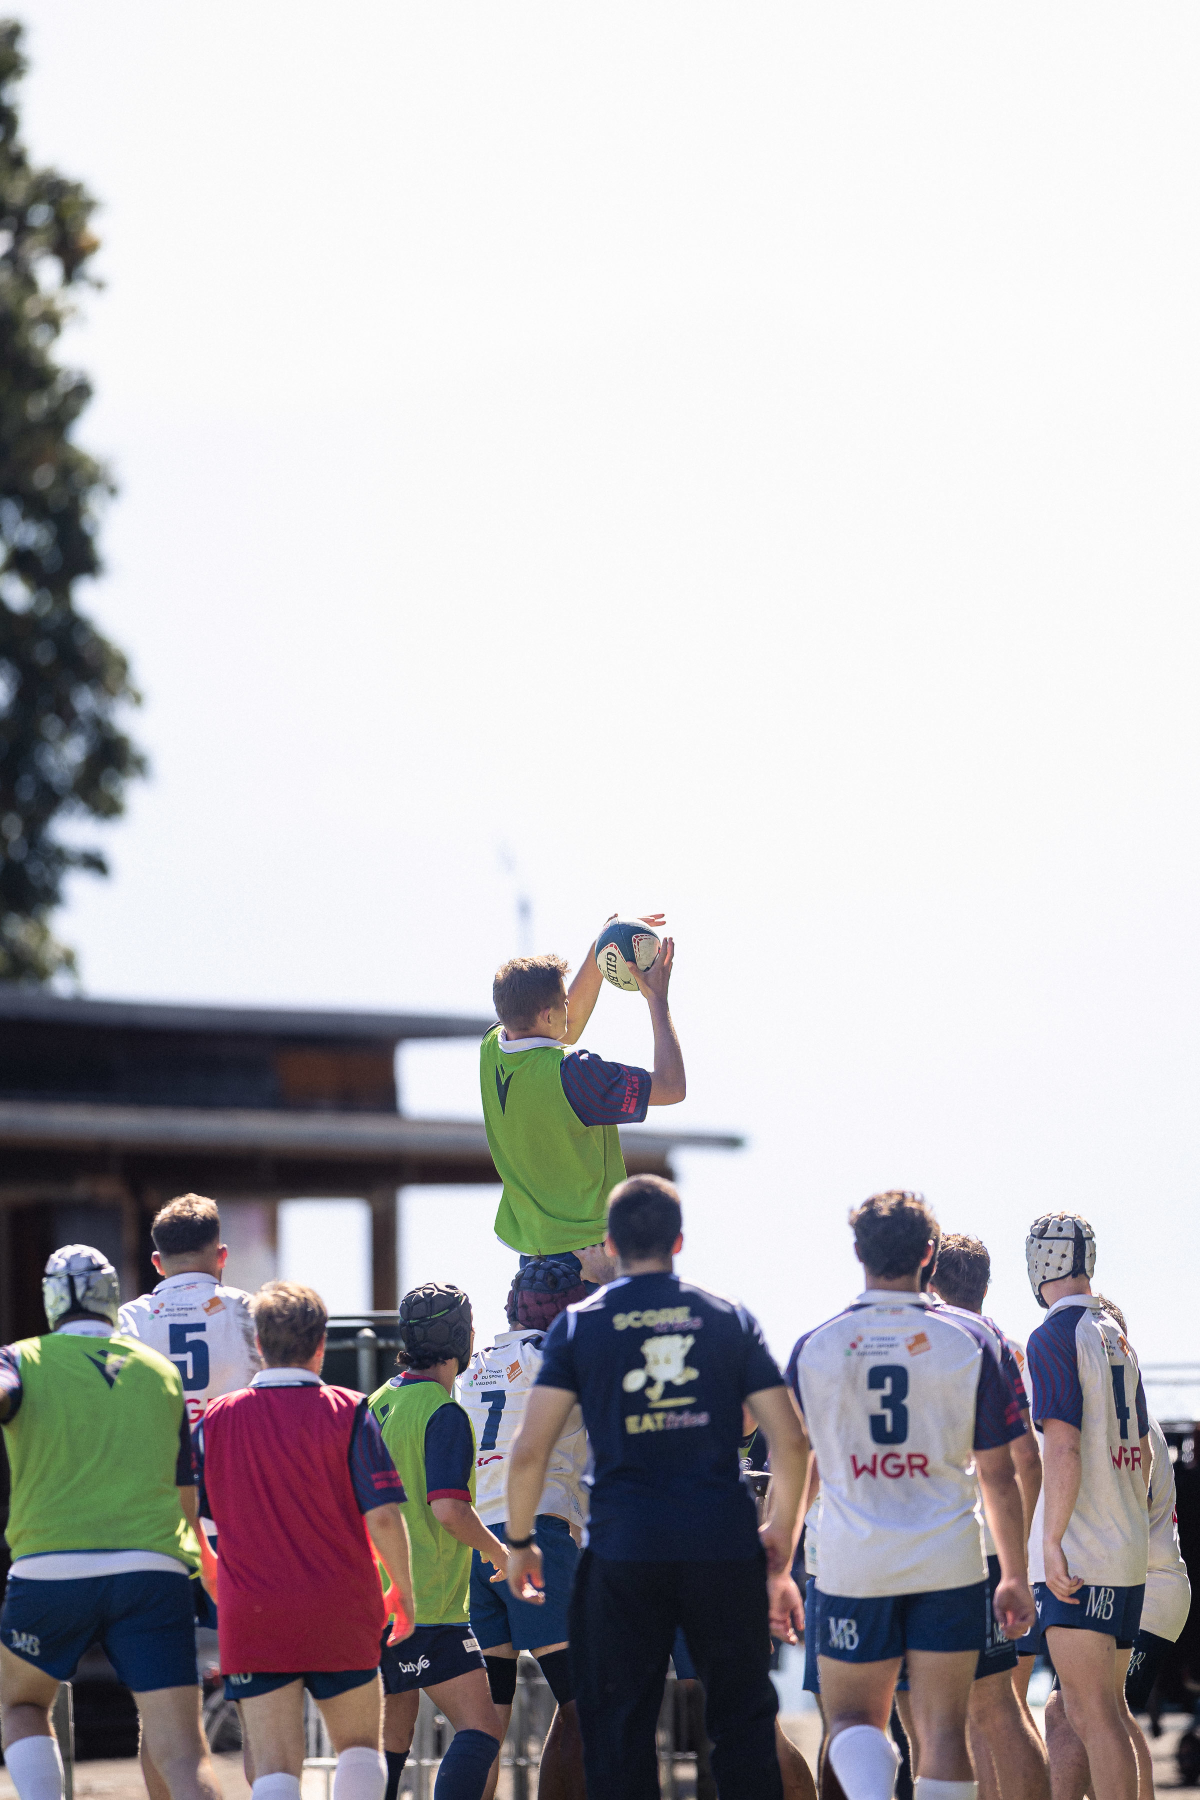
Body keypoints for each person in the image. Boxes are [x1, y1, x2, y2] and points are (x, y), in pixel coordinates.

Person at [505, 1173, 812, 1800]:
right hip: (721, 1546)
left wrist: (518, 1542)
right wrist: (779, 1538)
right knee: (744, 1730)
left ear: (610, 1245)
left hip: (623, 1550)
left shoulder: (580, 1326)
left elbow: (530, 1449)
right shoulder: (727, 1318)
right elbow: (791, 1440)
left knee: (619, 1735)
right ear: (679, 1241)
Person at [788, 1191, 1034, 1800]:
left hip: (853, 1559)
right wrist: (1014, 1574)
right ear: (929, 1254)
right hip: (948, 1557)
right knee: (945, 1728)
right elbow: (999, 1473)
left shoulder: (817, 1345)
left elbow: (799, 1463)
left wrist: (776, 1564)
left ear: (858, 1252)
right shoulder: (969, 1339)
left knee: (852, 1721)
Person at [0, 1245, 219, 1800]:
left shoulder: (19, 1358)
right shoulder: (161, 1371)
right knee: (183, 1753)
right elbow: (187, 1496)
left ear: (51, 1300)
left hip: (49, 1570)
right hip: (154, 1571)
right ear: (112, 1298)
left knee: (20, 1704)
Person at [195, 1281, 414, 1800]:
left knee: (273, 1767)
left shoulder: (214, 1420)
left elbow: (191, 1518)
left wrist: (213, 1576)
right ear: (321, 1344)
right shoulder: (351, 1410)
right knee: (359, 1748)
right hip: (343, 1603)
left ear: (258, 1344)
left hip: (252, 1610)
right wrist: (404, 1592)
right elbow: (384, 1517)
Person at [480, 913, 685, 1285]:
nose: (568, 1006)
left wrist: (602, 947)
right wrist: (657, 999)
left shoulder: (493, 1046)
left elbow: (563, 1027)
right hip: (589, 1259)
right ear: (547, 1015)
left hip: (534, 1259)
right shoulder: (574, 1074)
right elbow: (672, 1087)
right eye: (563, 1001)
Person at [1024, 1215, 1150, 1800]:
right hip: (1124, 1545)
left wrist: (1050, 1540)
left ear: (1039, 1264)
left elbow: (1063, 1446)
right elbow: (1142, 1451)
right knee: (1109, 1711)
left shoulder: (1054, 1335)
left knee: (1091, 1713)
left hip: (1083, 1550)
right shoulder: (1116, 1335)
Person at [1039, 1293, 1181, 1800]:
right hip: (1151, 1580)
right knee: (1109, 1713)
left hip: (1141, 1580)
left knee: (1076, 1713)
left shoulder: (1113, 1425)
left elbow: (1067, 1461)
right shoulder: (1135, 1422)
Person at [924, 1233, 1050, 1800]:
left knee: (978, 1715)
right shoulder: (1014, 1347)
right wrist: (1022, 1551)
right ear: (987, 1283)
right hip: (1018, 1549)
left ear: (932, 1280)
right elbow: (1033, 1458)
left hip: (964, 1546)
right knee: (1007, 1708)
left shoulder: (943, 1344)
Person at [458, 1259, 589, 1800]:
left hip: (476, 1544)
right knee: (585, 1704)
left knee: (485, 1729)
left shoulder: (471, 1369)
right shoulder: (560, 1360)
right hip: (534, 1538)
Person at [368, 1284, 505, 1800]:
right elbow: (449, 1509)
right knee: (481, 1730)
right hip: (428, 1607)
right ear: (462, 1339)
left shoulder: (377, 1401)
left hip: (376, 1602)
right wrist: (497, 1550)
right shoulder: (443, 1412)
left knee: (391, 1742)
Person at [118, 1193, 261, 1427]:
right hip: (231, 1447)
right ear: (222, 1256)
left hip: (163, 1449)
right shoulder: (248, 1309)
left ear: (157, 1263)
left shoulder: (130, 1318)